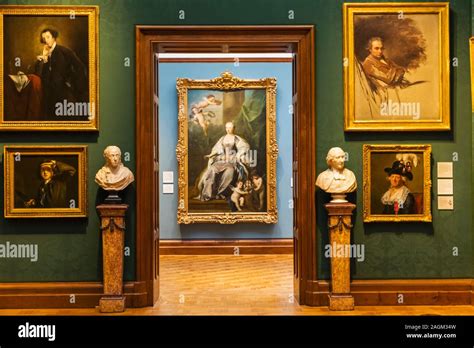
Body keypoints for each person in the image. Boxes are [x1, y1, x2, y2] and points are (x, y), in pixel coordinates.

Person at [35, 28, 88, 118]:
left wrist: (73, 84)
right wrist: (42, 61)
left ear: (54, 37)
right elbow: (40, 76)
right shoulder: (45, 54)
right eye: (44, 38)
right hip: (49, 94)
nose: (46, 41)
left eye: (48, 37)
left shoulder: (64, 51)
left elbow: (80, 67)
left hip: (64, 93)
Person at [195, 121, 250, 201]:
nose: (228, 129)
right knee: (212, 170)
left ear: (234, 128)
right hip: (221, 160)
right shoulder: (223, 138)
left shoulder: (236, 139)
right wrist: (210, 155)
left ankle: (221, 192)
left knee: (229, 171)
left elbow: (244, 148)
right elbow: (217, 149)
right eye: (227, 127)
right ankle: (208, 194)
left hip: (231, 161)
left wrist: (238, 155)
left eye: (230, 128)